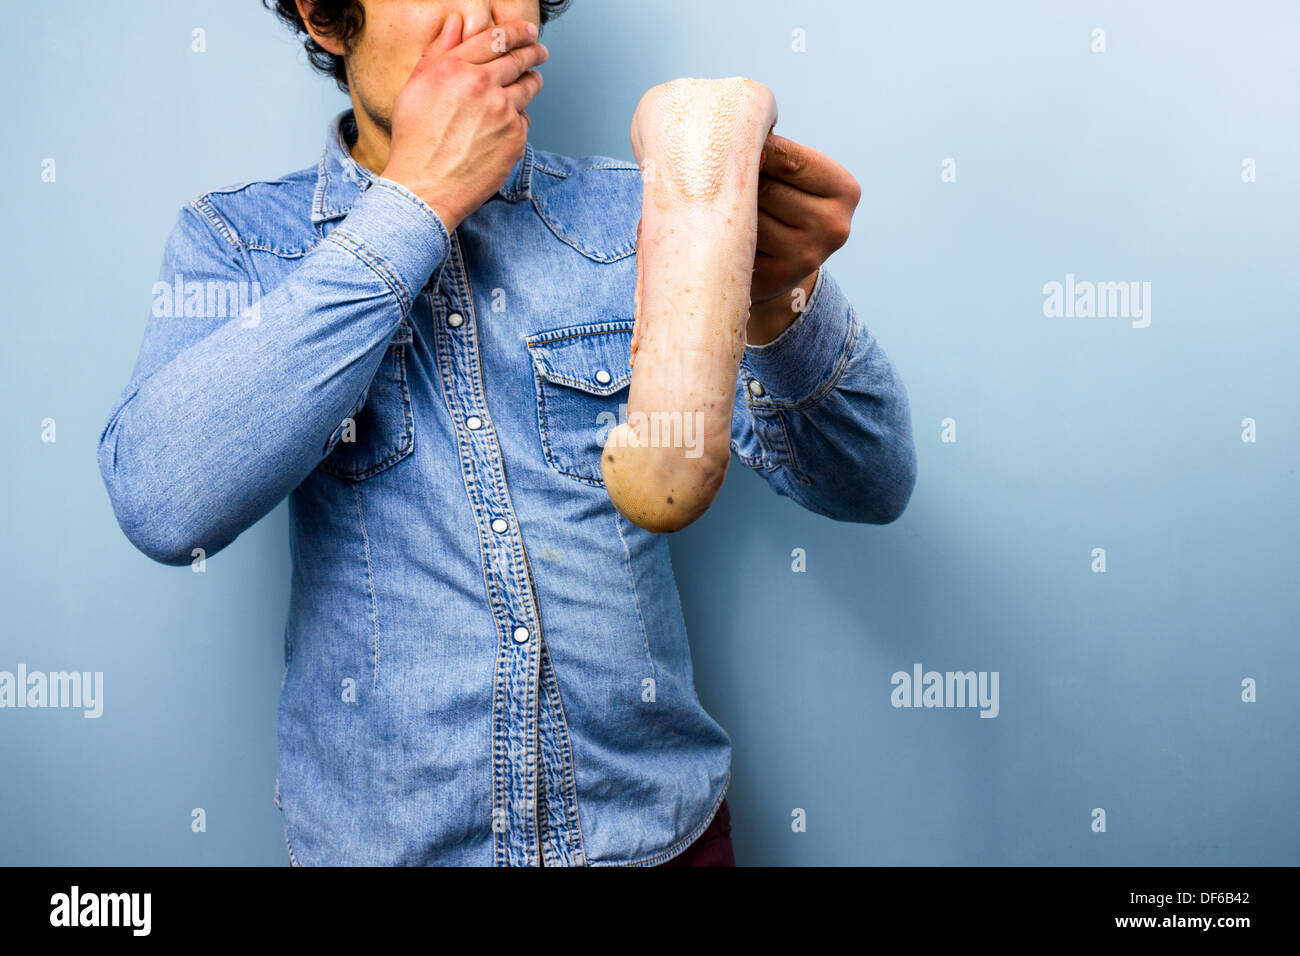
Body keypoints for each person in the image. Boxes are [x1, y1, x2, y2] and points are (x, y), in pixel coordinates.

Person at [96, 0, 917, 866]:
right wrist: (418, 204)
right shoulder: (240, 243)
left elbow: (871, 482)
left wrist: (779, 298)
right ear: (329, 18)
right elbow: (163, 505)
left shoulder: (639, 214)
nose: (484, 15)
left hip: (661, 845)